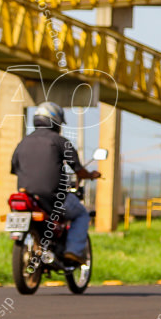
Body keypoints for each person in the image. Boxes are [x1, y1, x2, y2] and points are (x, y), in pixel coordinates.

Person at [10, 102, 100, 265]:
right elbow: (79, 170)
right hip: (53, 198)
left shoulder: (21, 144)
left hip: (28, 197)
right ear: (56, 121)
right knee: (82, 214)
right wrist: (91, 175)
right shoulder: (60, 142)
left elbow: (15, 169)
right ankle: (72, 251)